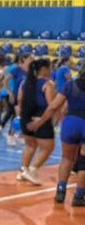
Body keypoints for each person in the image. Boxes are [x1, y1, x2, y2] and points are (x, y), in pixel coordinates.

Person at [28, 64, 85, 204]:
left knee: (66, 158)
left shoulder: (69, 85)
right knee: (83, 162)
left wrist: (40, 122)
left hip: (70, 123)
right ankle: (79, 196)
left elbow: (53, 106)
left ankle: (60, 191)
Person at [16, 58, 55, 185]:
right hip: (40, 119)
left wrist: (22, 116)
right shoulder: (48, 84)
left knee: (30, 145)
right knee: (48, 148)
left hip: (25, 118)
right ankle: (32, 170)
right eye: (50, 68)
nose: (51, 70)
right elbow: (51, 106)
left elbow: (19, 100)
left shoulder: (24, 83)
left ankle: (23, 170)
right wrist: (42, 121)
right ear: (44, 69)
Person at [0, 54, 32, 145]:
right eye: (30, 58)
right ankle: (11, 135)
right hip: (17, 96)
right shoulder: (17, 70)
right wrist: (10, 92)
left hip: (27, 97)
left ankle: (21, 135)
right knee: (18, 117)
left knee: (26, 117)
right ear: (24, 59)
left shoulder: (31, 71)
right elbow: (5, 80)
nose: (31, 60)